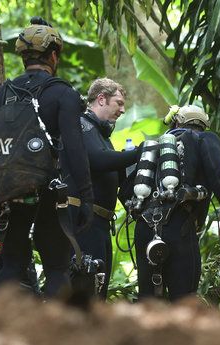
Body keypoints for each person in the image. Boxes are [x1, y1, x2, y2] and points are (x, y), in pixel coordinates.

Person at [0, 17, 94, 298]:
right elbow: (76, 150)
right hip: (48, 191)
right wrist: (86, 197)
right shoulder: (63, 93)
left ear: (24, 57)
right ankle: (52, 334)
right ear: (53, 55)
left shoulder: (0, 95)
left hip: (6, 193)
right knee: (56, 265)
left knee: (11, 263)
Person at [132, 104, 220, 301]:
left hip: (144, 229)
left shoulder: (151, 149)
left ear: (175, 122)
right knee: (184, 300)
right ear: (202, 124)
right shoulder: (204, 138)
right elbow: (217, 169)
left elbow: (129, 186)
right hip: (179, 226)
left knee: (148, 301)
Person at [69, 78, 140, 300]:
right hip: (83, 220)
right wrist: (140, 152)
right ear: (101, 99)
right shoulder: (82, 126)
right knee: (86, 286)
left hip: (99, 223)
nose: (122, 109)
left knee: (98, 288)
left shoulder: (100, 135)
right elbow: (97, 160)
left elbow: (114, 173)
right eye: (118, 103)